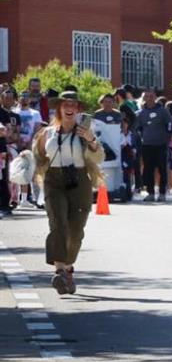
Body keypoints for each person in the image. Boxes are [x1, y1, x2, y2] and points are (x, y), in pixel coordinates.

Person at [32, 90, 104, 295]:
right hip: (54, 181)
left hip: (79, 181)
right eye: (66, 105)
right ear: (59, 109)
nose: (70, 108)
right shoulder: (47, 133)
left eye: (74, 105)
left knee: (76, 231)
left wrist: (91, 141)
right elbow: (38, 156)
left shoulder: (85, 131)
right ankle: (59, 271)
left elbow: (99, 157)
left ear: (78, 109)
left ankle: (68, 268)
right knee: (57, 223)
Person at [135, 90, 171, 202]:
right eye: (147, 96)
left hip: (161, 144)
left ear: (155, 97)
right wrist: (143, 137)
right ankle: (150, 193)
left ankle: (162, 193)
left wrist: (168, 138)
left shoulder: (163, 111)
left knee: (162, 169)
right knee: (148, 169)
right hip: (147, 145)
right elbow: (138, 128)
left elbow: (169, 125)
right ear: (144, 98)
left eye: (152, 96)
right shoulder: (140, 113)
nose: (149, 98)